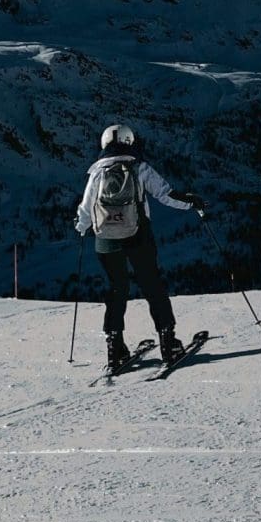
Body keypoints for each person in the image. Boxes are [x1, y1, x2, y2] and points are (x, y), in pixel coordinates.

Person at [75, 122, 202, 370]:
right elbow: (166, 195)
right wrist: (192, 203)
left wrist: (81, 228)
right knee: (152, 284)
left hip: (106, 240)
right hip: (138, 237)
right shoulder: (139, 167)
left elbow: (86, 209)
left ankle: (115, 347)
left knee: (115, 289)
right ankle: (168, 342)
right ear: (130, 141)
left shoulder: (97, 172)